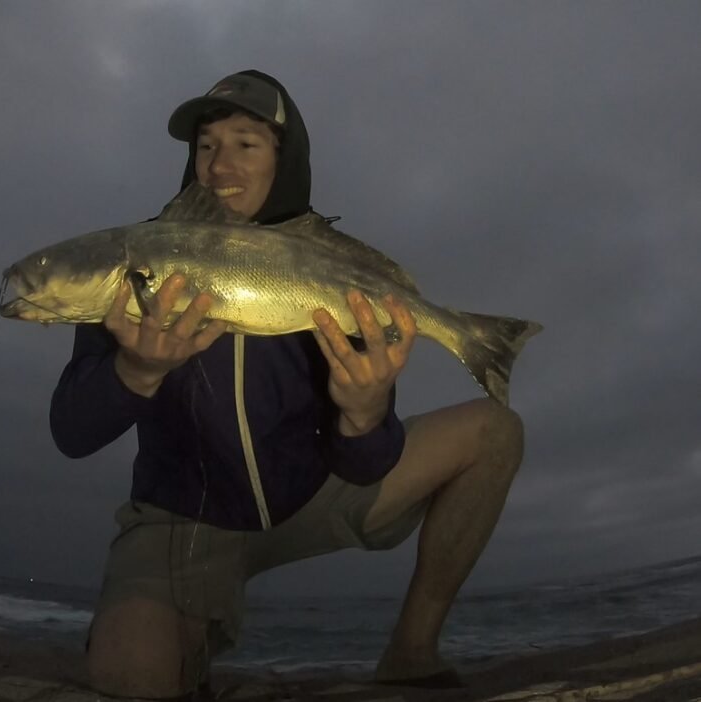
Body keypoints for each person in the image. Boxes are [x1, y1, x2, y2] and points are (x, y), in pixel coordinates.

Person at [50, 70, 524, 700]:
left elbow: (365, 463)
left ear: (285, 157)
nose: (220, 165)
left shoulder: (328, 265)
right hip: (184, 518)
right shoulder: (137, 262)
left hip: (309, 491)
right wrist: (135, 371)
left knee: (495, 431)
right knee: (129, 680)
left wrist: (366, 412)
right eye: (206, 145)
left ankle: (412, 651)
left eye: (247, 143)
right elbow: (72, 432)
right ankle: (184, 635)